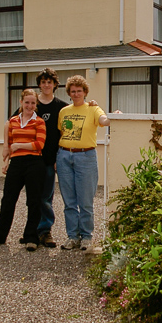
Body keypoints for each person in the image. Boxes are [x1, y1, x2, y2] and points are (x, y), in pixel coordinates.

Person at [0, 89, 46, 251]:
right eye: (27, 102)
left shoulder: (39, 122)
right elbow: (9, 144)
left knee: (34, 201)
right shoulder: (13, 121)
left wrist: (19, 145)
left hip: (34, 163)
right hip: (16, 163)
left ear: (36, 104)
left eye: (33, 103)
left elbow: (39, 145)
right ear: (21, 103)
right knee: (8, 199)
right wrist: (7, 163)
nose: (30, 106)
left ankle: (31, 237)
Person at [11, 68, 67, 248]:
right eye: (43, 82)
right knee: (33, 198)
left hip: (50, 159)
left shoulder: (61, 107)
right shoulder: (32, 103)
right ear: (39, 84)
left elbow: (64, 133)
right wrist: (7, 148)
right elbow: (11, 123)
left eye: (49, 82)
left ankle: (45, 231)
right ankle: (32, 232)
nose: (46, 85)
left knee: (45, 197)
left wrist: (60, 157)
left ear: (55, 84)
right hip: (29, 160)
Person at [56, 75, 112, 251]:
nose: (76, 93)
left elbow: (104, 121)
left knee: (86, 200)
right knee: (69, 201)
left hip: (86, 157)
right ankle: (72, 236)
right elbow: (60, 133)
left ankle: (87, 237)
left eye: (79, 90)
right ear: (69, 93)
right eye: (73, 91)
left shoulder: (93, 109)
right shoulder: (64, 111)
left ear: (85, 92)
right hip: (64, 156)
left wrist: (115, 116)